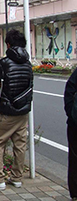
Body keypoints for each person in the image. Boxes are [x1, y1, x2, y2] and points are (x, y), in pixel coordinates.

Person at [0, 29, 33, 190]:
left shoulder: (4, 63)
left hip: (7, 111)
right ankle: (17, 178)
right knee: (20, 144)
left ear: (8, 44)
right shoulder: (28, 63)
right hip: (23, 111)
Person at [64, 68, 77, 199]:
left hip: (75, 123)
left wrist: (72, 115)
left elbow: (69, 92)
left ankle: (75, 194)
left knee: (74, 159)